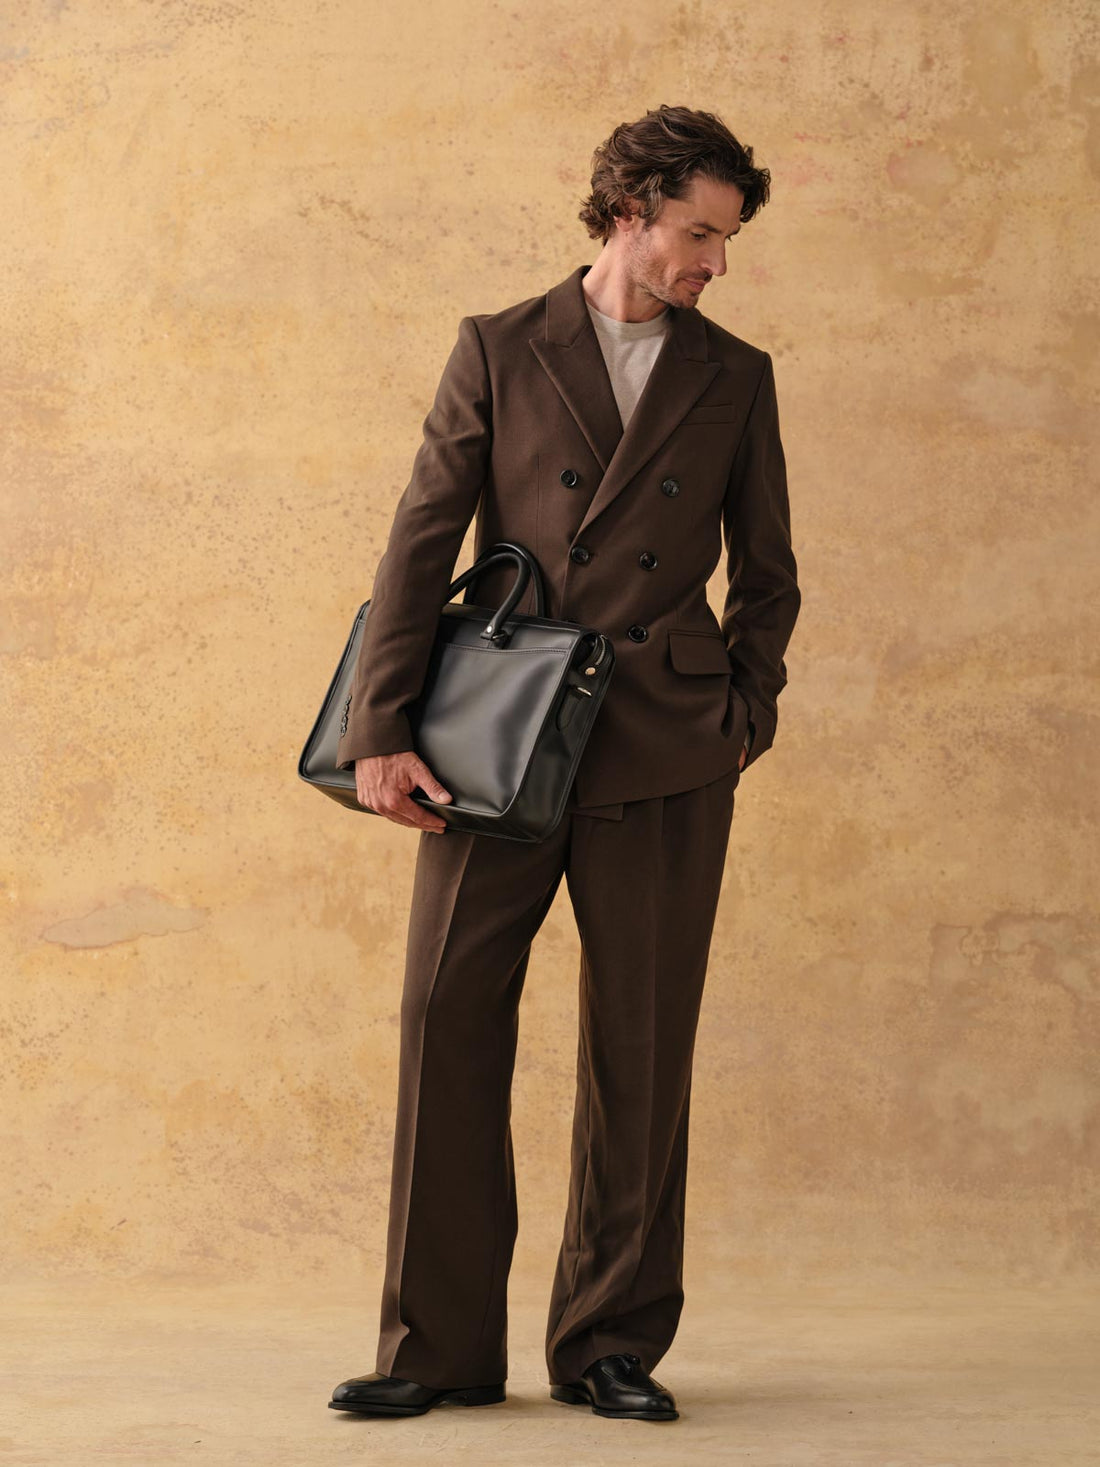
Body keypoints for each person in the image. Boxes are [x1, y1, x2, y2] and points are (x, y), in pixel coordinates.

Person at [327, 103, 801, 1423]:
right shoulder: (500, 345)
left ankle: (610, 1344)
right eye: (699, 233)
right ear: (628, 214)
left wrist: (743, 713)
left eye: (728, 238)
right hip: (499, 734)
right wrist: (381, 728)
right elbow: (421, 539)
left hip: (665, 741)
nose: (717, 262)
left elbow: (769, 571)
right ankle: (435, 1347)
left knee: (641, 1047)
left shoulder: (736, 374)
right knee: (446, 1018)